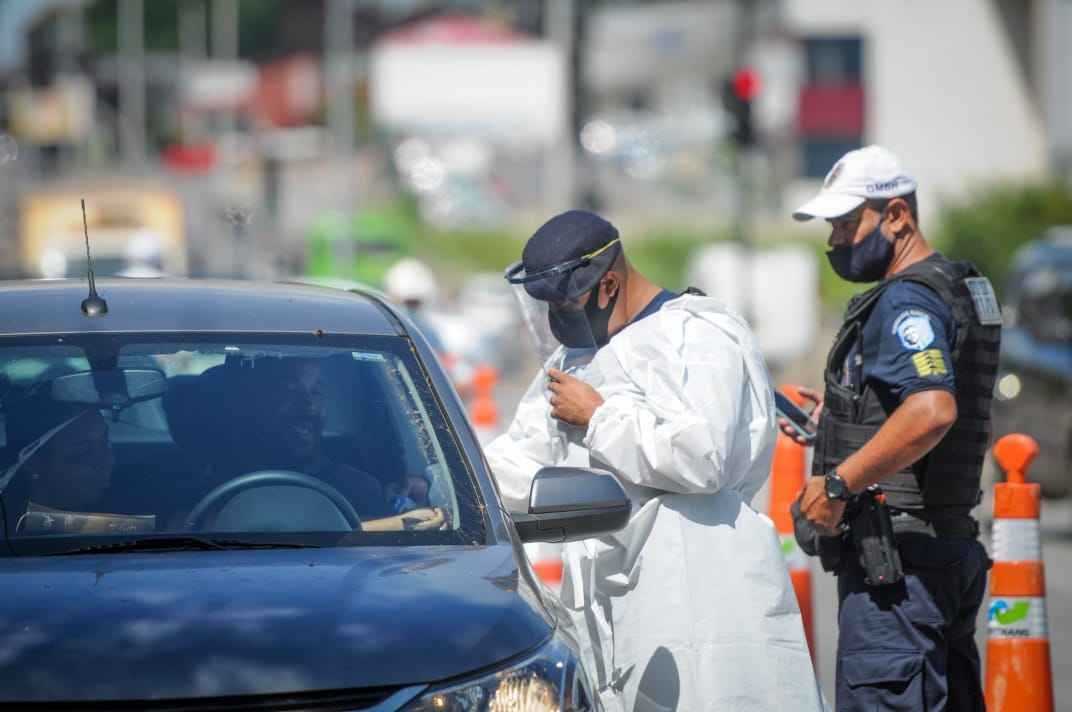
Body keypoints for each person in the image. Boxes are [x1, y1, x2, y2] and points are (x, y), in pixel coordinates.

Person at [486, 210, 822, 710]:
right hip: (609, 596)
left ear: (608, 285)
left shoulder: (697, 335)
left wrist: (599, 419)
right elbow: (524, 456)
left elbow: (703, 458)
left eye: (564, 302)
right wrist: (451, 485)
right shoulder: (574, 358)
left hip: (698, 581)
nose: (557, 317)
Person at [786, 145, 1000, 710]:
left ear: (899, 215)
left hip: (899, 567)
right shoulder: (949, 285)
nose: (835, 240)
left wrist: (838, 483)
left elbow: (932, 410)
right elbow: (916, 404)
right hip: (941, 552)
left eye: (847, 224)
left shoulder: (908, 300)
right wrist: (839, 423)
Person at [231, 358, 445, 531]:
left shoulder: (358, 486)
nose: (308, 404)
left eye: (316, 392)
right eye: (290, 390)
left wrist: (416, 496)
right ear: (258, 403)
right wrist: (395, 525)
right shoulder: (219, 477)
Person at [2, 396, 154, 535]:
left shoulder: (124, 497)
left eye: (106, 442)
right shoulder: (12, 531)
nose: (106, 461)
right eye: (83, 452)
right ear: (33, 463)